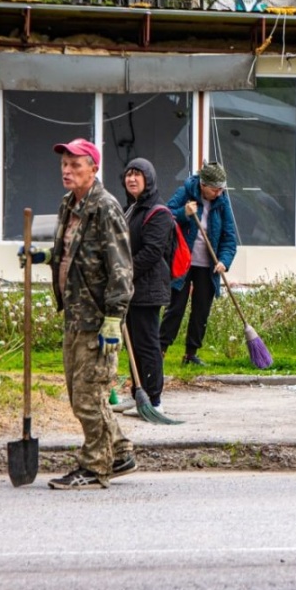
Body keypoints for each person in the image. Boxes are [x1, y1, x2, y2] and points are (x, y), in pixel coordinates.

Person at [19, 138, 136, 489]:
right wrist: (44, 257)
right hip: (75, 313)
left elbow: (121, 266)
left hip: (98, 319)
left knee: (88, 396)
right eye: (64, 165)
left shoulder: (105, 207)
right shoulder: (69, 205)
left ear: (94, 168)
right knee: (79, 392)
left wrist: (114, 317)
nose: (67, 171)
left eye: (75, 165)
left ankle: (94, 466)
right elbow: (71, 253)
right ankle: (118, 451)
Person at [159, 162, 237, 366]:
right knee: (176, 307)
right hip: (183, 262)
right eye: (215, 189)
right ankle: (160, 350)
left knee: (201, 309)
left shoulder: (222, 202)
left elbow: (229, 238)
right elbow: (164, 216)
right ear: (203, 184)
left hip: (207, 265)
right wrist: (184, 213)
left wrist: (224, 261)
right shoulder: (185, 192)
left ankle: (191, 354)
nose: (219, 193)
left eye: (222, 189)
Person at [122, 158, 175, 410]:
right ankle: (138, 395)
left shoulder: (159, 212)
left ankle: (154, 400)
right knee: (132, 342)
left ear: (149, 179)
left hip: (148, 289)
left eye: (137, 175)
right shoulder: (131, 208)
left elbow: (152, 252)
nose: (131, 179)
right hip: (131, 288)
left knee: (147, 344)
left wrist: (123, 273)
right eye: (128, 174)